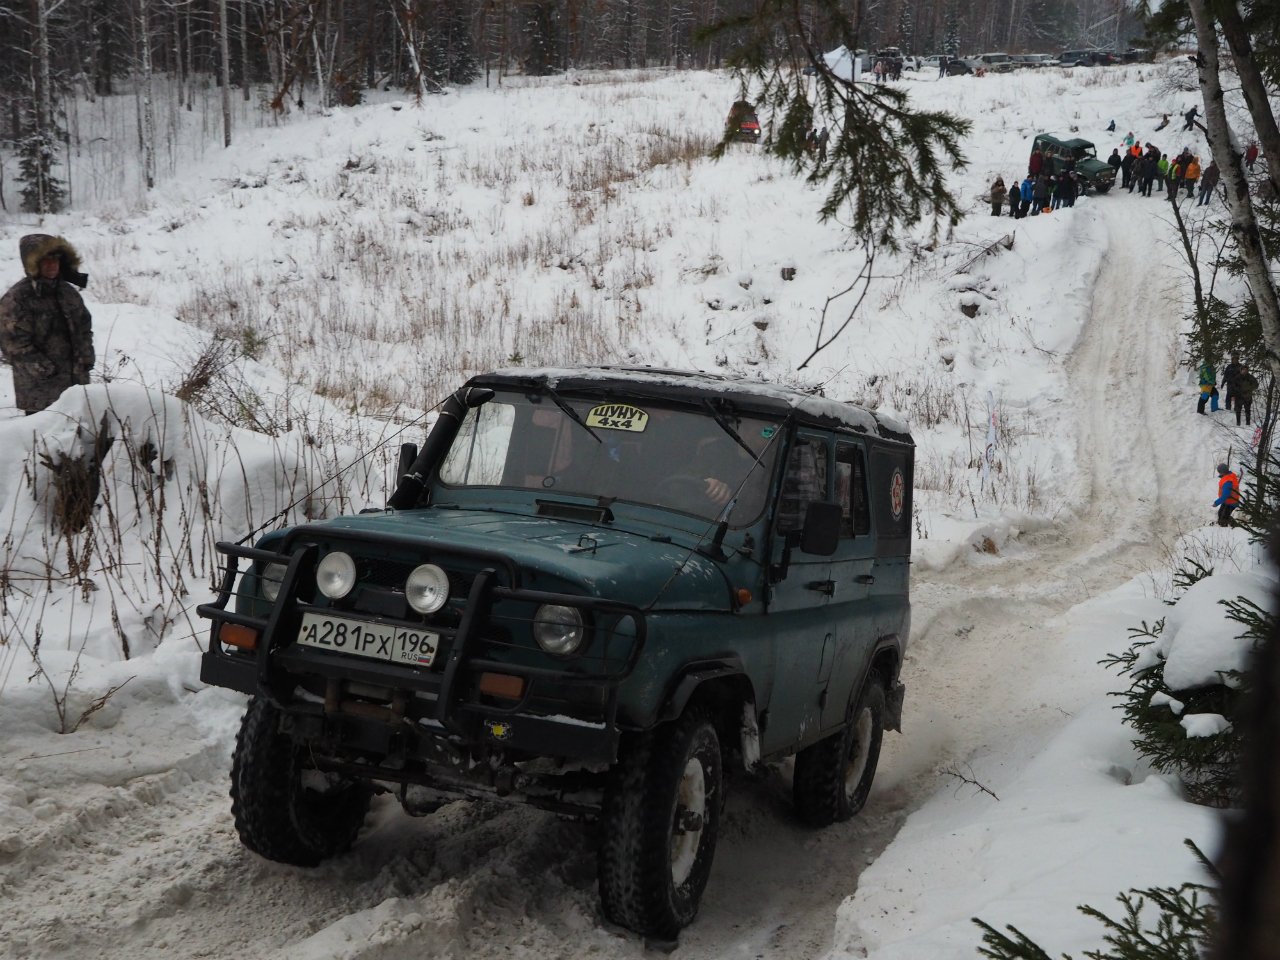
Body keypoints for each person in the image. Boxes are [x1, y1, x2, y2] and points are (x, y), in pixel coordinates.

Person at [0, 234, 94, 416]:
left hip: (76, 386)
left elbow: (84, 327)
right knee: (45, 441)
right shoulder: (18, 299)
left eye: (55, 260)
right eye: (45, 260)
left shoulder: (67, 292)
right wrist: (47, 371)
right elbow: (13, 345)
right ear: (33, 264)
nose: (52, 265)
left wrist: (86, 357)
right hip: (40, 392)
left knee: (78, 436)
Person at [1214, 463, 1240, 527]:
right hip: (1227, 501)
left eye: (1219, 472)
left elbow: (1225, 495)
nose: (1219, 473)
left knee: (1224, 518)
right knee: (1220, 513)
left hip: (1231, 502)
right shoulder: (1229, 476)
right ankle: (1222, 526)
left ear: (1223, 472)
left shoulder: (1228, 481)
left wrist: (1216, 503)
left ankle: (1227, 529)